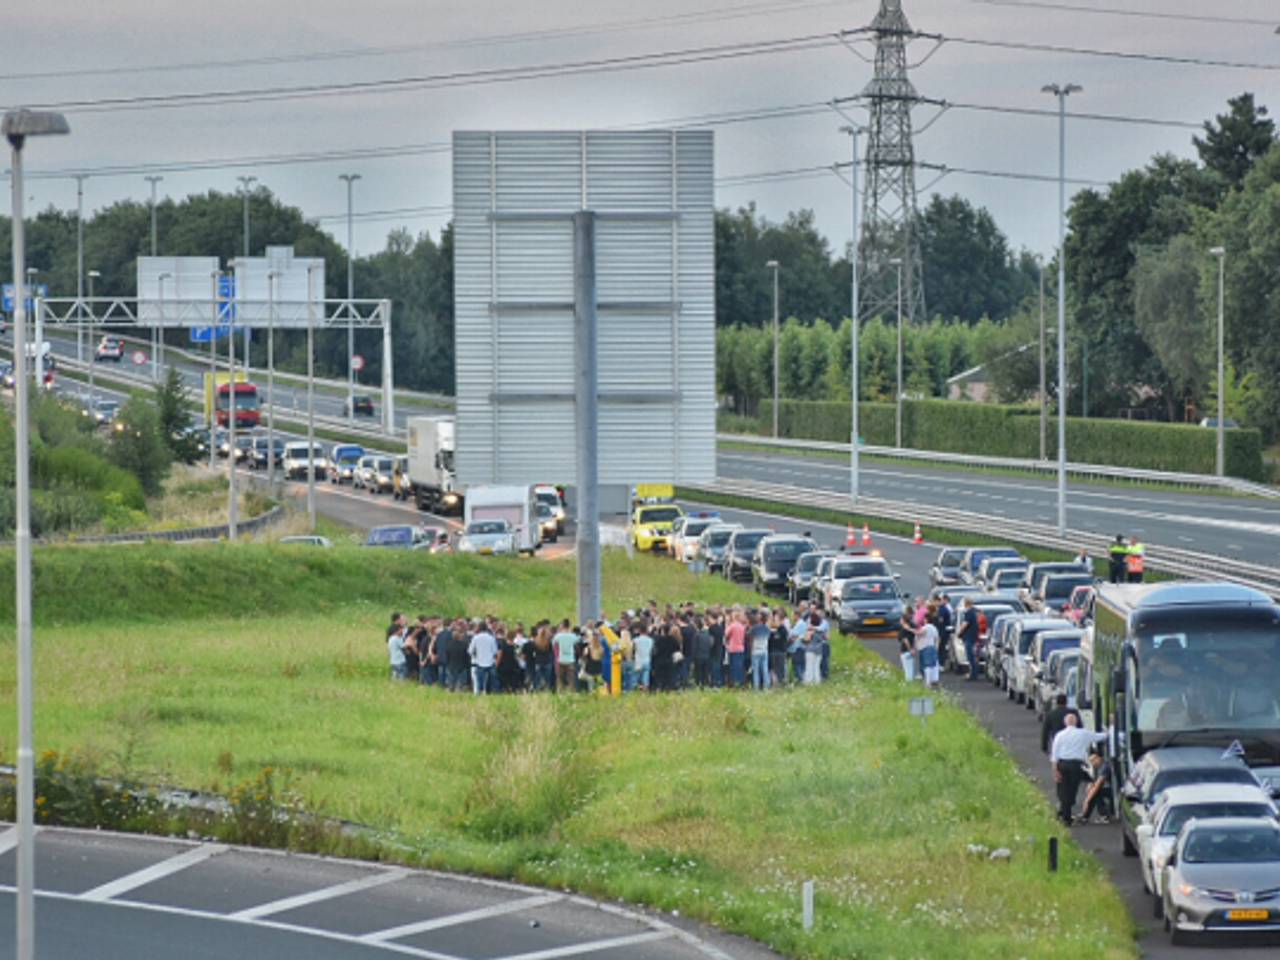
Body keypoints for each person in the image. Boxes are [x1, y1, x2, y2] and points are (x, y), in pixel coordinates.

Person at [1050, 714, 1109, 825]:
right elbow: (1099, 736)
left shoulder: (1059, 735)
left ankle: (1065, 815)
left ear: (1065, 723)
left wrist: (1055, 771)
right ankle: (1067, 814)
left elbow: (1054, 755)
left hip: (1062, 764)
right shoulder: (1083, 733)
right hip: (1076, 765)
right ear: (1076, 722)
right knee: (1073, 789)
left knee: (1063, 790)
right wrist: (1111, 732)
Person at [1080, 750, 1113, 823]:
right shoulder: (1100, 767)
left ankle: (1104, 815)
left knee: (1096, 792)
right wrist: (1091, 785)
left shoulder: (1105, 767)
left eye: (1094, 760)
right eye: (1091, 761)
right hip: (1110, 789)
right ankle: (1085, 816)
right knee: (1094, 791)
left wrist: (1087, 800)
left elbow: (1099, 783)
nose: (1093, 763)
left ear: (1099, 758)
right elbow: (1096, 782)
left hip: (1115, 791)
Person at [468, 620, 498, 694]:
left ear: (479, 628)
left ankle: (480, 693)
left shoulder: (476, 638)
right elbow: (495, 651)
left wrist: (475, 655)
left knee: (479, 682)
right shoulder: (491, 638)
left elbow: (470, 651)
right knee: (491, 681)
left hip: (479, 662)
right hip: (490, 662)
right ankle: (491, 692)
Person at [914, 614, 941, 689]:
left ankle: (928, 682)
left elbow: (921, 633)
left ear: (926, 620)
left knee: (927, 665)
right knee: (933, 664)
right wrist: (936, 647)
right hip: (932, 647)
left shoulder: (926, 627)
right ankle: (933, 680)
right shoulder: (934, 628)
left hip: (925, 647)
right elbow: (937, 638)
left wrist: (910, 629)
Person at [957, 598, 980, 681]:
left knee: (970, 656)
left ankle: (973, 674)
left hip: (969, 637)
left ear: (967, 604)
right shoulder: (974, 612)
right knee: (972, 656)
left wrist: (959, 633)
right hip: (973, 636)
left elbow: (965, 624)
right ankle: (973, 673)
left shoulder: (969, 613)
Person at [552, 619, 578, 692]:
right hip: (570, 660)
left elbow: (554, 644)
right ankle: (572, 693)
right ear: (569, 626)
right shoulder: (573, 636)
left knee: (560, 679)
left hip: (561, 659)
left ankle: (560, 693)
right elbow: (577, 644)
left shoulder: (558, 636)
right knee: (571, 680)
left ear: (562, 625)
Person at [724, 609, 747, 688]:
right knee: (740, 666)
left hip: (733, 648)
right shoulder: (742, 626)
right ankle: (740, 682)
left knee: (733, 667)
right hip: (741, 648)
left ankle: (734, 682)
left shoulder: (732, 626)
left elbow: (726, 634)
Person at [633, 620, 654, 691]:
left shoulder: (636, 640)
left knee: (636, 680)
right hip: (647, 660)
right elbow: (651, 651)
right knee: (646, 680)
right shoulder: (651, 640)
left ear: (639, 631)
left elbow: (634, 650)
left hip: (638, 661)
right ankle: (645, 691)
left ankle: (638, 690)